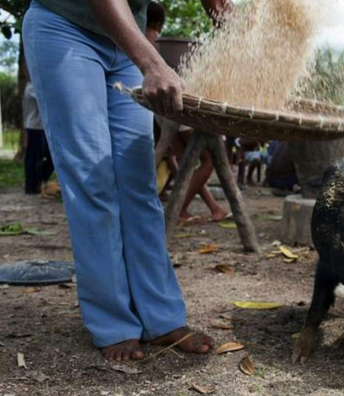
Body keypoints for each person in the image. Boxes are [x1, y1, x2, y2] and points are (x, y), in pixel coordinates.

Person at [22, 0, 231, 361]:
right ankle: (112, 322)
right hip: (65, 26)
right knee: (93, 182)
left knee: (140, 185)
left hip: (125, 41)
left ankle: (162, 318)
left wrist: (232, 24)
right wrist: (151, 62)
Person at [145, 2, 229, 223]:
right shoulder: (155, 43)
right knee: (208, 160)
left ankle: (211, 208)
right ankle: (179, 210)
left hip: (157, 109)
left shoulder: (138, 41)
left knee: (186, 160)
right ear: (157, 24)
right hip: (174, 104)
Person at [23, 81, 55, 195]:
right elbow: (45, 100)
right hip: (34, 127)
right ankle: (31, 187)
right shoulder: (31, 87)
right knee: (34, 158)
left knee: (52, 155)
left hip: (44, 127)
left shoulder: (40, 86)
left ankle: (41, 181)